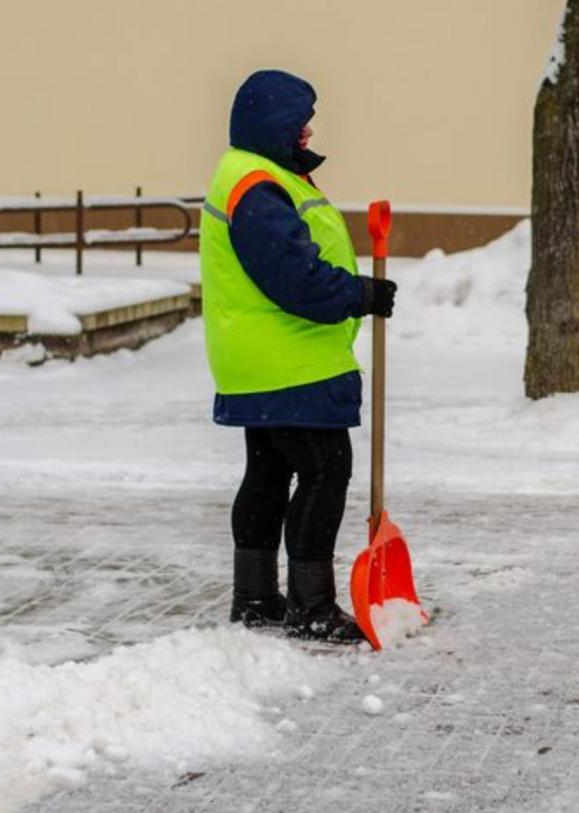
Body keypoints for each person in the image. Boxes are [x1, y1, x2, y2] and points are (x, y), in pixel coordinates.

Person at [199, 69, 396, 643]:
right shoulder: (257, 185)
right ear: (273, 121)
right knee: (323, 470)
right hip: (292, 361)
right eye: (299, 118)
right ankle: (312, 607)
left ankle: (256, 597)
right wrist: (360, 293)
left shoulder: (256, 176)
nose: (308, 129)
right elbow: (294, 280)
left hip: (258, 359)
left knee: (268, 471)